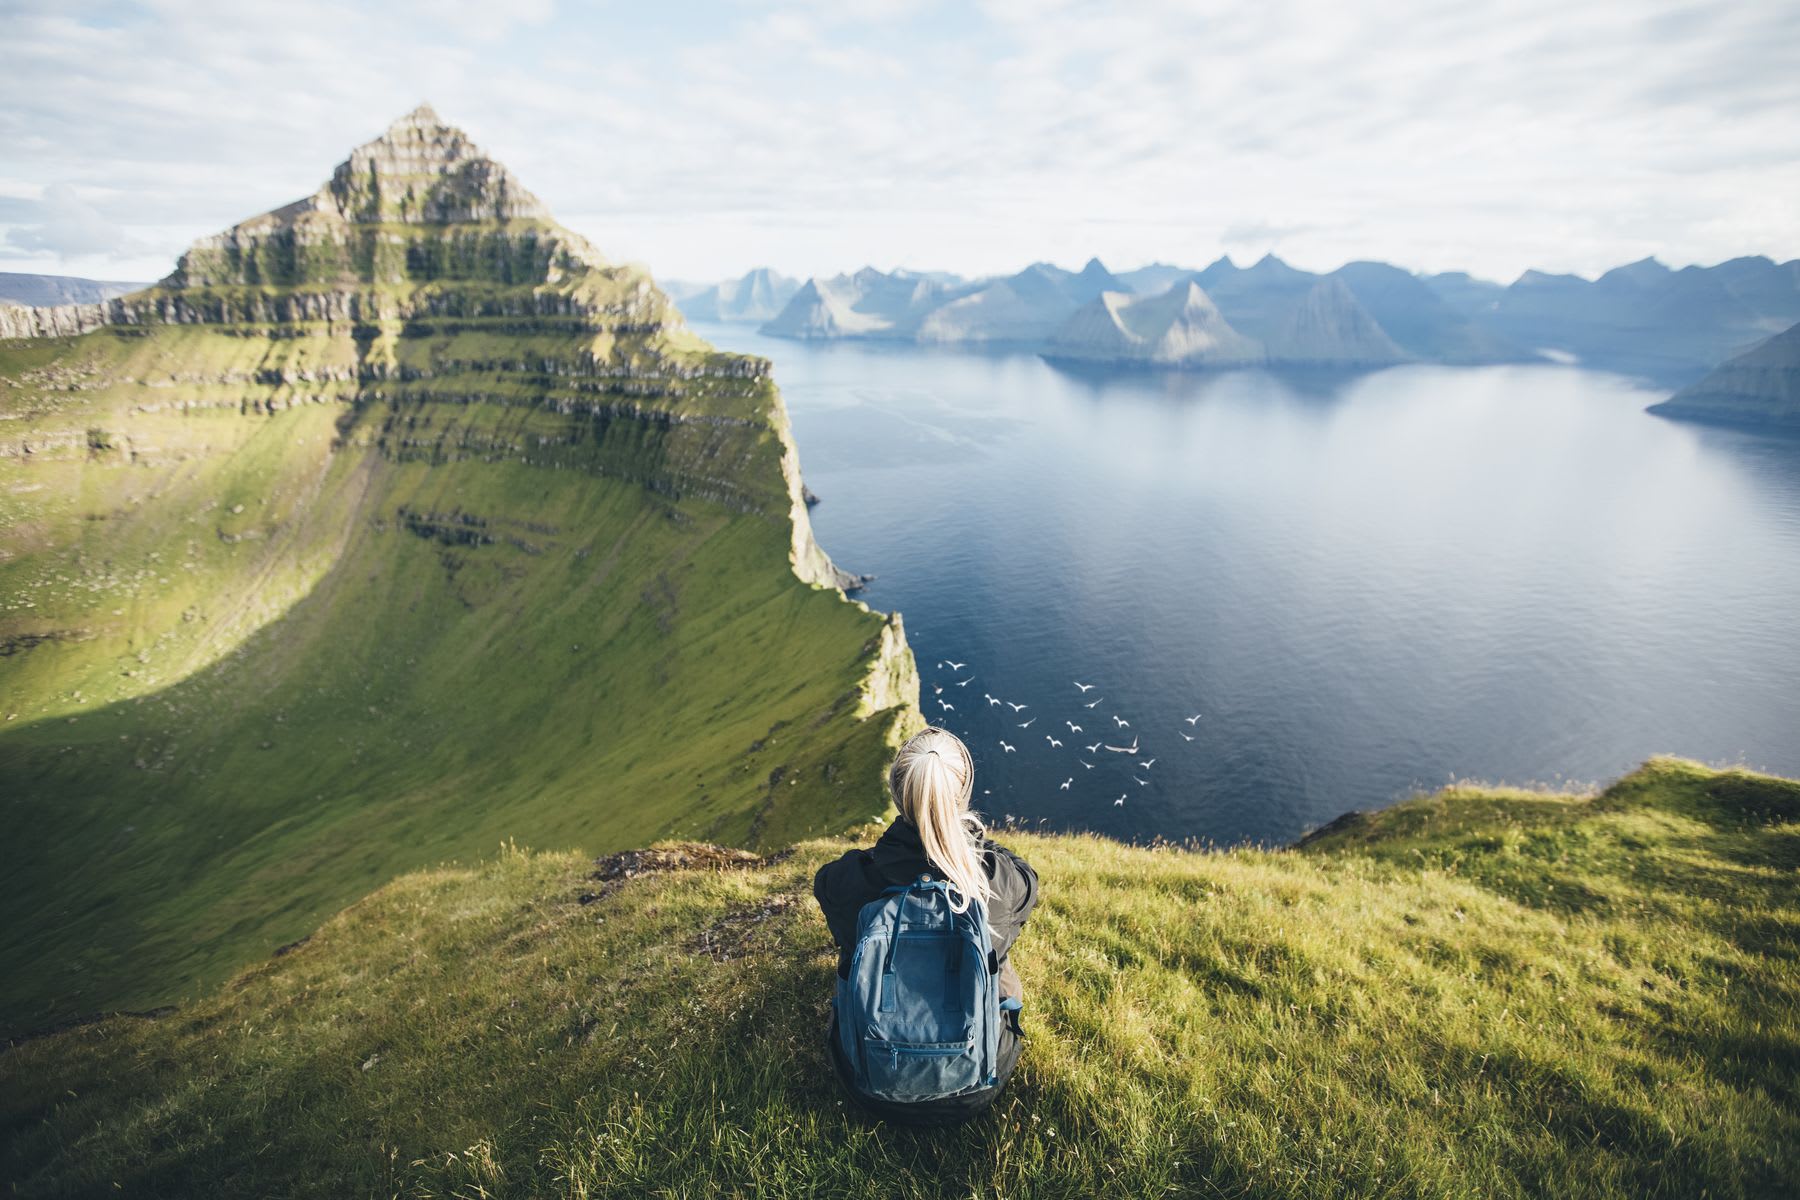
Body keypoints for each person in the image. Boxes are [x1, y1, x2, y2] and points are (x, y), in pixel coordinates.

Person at [813, 725, 1039, 1124]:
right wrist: (972, 842)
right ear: (963, 794)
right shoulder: (995, 879)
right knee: (998, 960)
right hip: (975, 1088)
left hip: (868, 1082)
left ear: (898, 794)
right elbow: (1028, 881)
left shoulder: (851, 880)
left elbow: (825, 883)